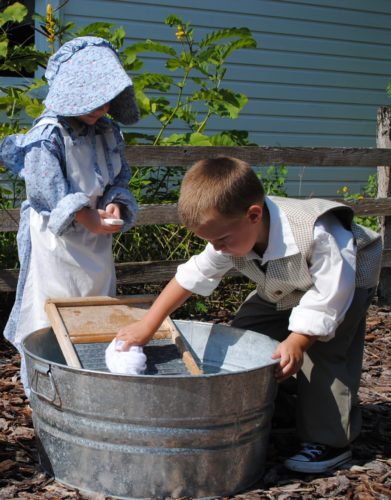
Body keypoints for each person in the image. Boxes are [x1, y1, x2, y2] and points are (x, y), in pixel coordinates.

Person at [116, 156, 382, 474]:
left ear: (253, 215)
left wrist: (298, 340)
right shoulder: (231, 233)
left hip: (342, 285)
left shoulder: (318, 233)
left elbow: (329, 298)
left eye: (221, 240)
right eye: (210, 241)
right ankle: (279, 409)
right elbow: (191, 276)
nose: (216, 248)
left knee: (322, 354)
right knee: (246, 334)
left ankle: (329, 441)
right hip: (284, 283)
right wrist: (149, 322)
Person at [0, 36, 140, 394]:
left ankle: (89, 375)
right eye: (93, 97)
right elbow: (46, 190)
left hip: (96, 239)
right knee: (50, 306)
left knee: (93, 305)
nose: (102, 107)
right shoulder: (48, 136)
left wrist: (114, 204)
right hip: (56, 241)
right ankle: (48, 384)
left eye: (107, 97)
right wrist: (85, 216)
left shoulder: (107, 132)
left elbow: (118, 175)